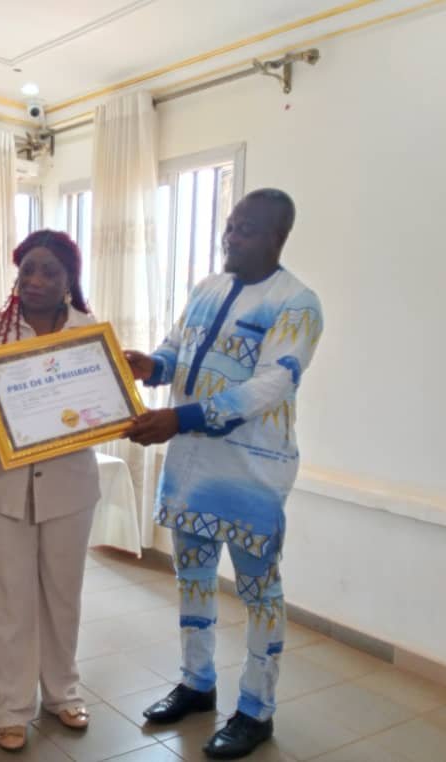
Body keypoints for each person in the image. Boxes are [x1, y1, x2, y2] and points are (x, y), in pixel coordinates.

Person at [124, 189, 323, 760]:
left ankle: (256, 710)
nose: (230, 236)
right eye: (230, 225)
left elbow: (270, 386)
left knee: (260, 592)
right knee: (192, 579)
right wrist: (149, 366)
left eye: (246, 229)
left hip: (250, 475)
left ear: (277, 237)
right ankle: (197, 683)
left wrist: (180, 417)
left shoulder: (297, 304)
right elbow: (175, 351)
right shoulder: (207, 288)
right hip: (191, 467)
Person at [0, 230, 100, 751]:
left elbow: (101, 404)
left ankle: (62, 693)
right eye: (27, 270)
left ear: (69, 280)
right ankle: (11, 707)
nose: (35, 280)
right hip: (3, 484)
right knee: (10, 598)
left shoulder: (89, 335)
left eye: (49, 272)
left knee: (63, 594)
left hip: (70, 483)